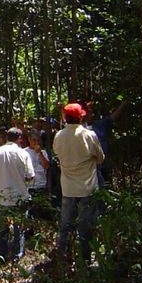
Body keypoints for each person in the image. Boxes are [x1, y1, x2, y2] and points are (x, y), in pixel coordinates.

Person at [52, 103, 104, 265]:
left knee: (65, 224)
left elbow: (57, 154)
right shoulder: (89, 135)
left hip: (68, 187)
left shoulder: (59, 136)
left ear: (65, 118)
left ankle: (62, 256)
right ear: (81, 117)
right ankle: (85, 259)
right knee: (85, 225)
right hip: (87, 188)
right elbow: (101, 158)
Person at [0, 127, 35, 262]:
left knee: (2, 228)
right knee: (18, 228)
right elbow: (30, 175)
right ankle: (16, 256)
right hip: (20, 195)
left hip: (2, 196)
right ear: (19, 139)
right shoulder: (23, 154)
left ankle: (1, 255)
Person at [24, 129, 51, 222]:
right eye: (34, 140)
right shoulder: (24, 152)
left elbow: (46, 166)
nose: (36, 142)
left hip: (41, 185)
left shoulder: (43, 152)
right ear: (29, 140)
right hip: (29, 187)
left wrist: (39, 154)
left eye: (38, 140)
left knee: (43, 214)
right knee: (30, 214)